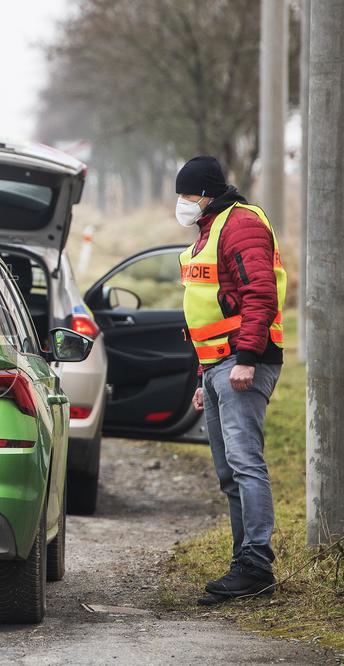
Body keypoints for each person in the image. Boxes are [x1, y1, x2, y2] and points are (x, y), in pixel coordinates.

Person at [175, 156, 286, 603]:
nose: (182, 203)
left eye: (186, 195)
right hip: (219, 363)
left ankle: (256, 562)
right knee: (228, 472)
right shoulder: (211, 228)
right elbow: (212, 306)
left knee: (245, 464)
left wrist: (246, 357)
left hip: (244, 362)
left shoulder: (241, 225)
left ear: (206, 193)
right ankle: (246, 563)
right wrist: (205, 376)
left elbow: (261, 293)